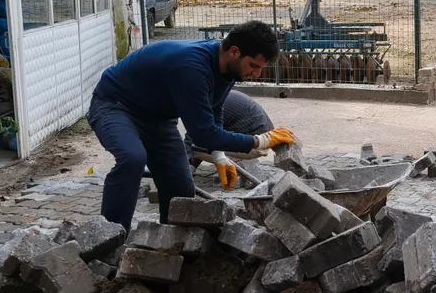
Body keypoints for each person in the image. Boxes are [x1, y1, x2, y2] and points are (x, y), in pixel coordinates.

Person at [88, 20, 296, 227]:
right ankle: (110, 239)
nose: (256, 74)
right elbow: (202, 134)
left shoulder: (227, 69)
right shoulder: (192, 68)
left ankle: (170, 246)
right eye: (253, 66)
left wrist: (218, 154)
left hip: (158, 120)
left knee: (181, 192)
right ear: (234, 51)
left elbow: (215, 109)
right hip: (115, 106)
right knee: (132, 158)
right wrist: (260, 141)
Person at [184, 90, 273, 167]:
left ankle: (235, 164)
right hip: (265, 139)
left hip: (255, 146)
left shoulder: (202, 105)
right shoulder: (217, 94)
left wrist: (184, 168)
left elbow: (193, 140)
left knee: (194, 147)